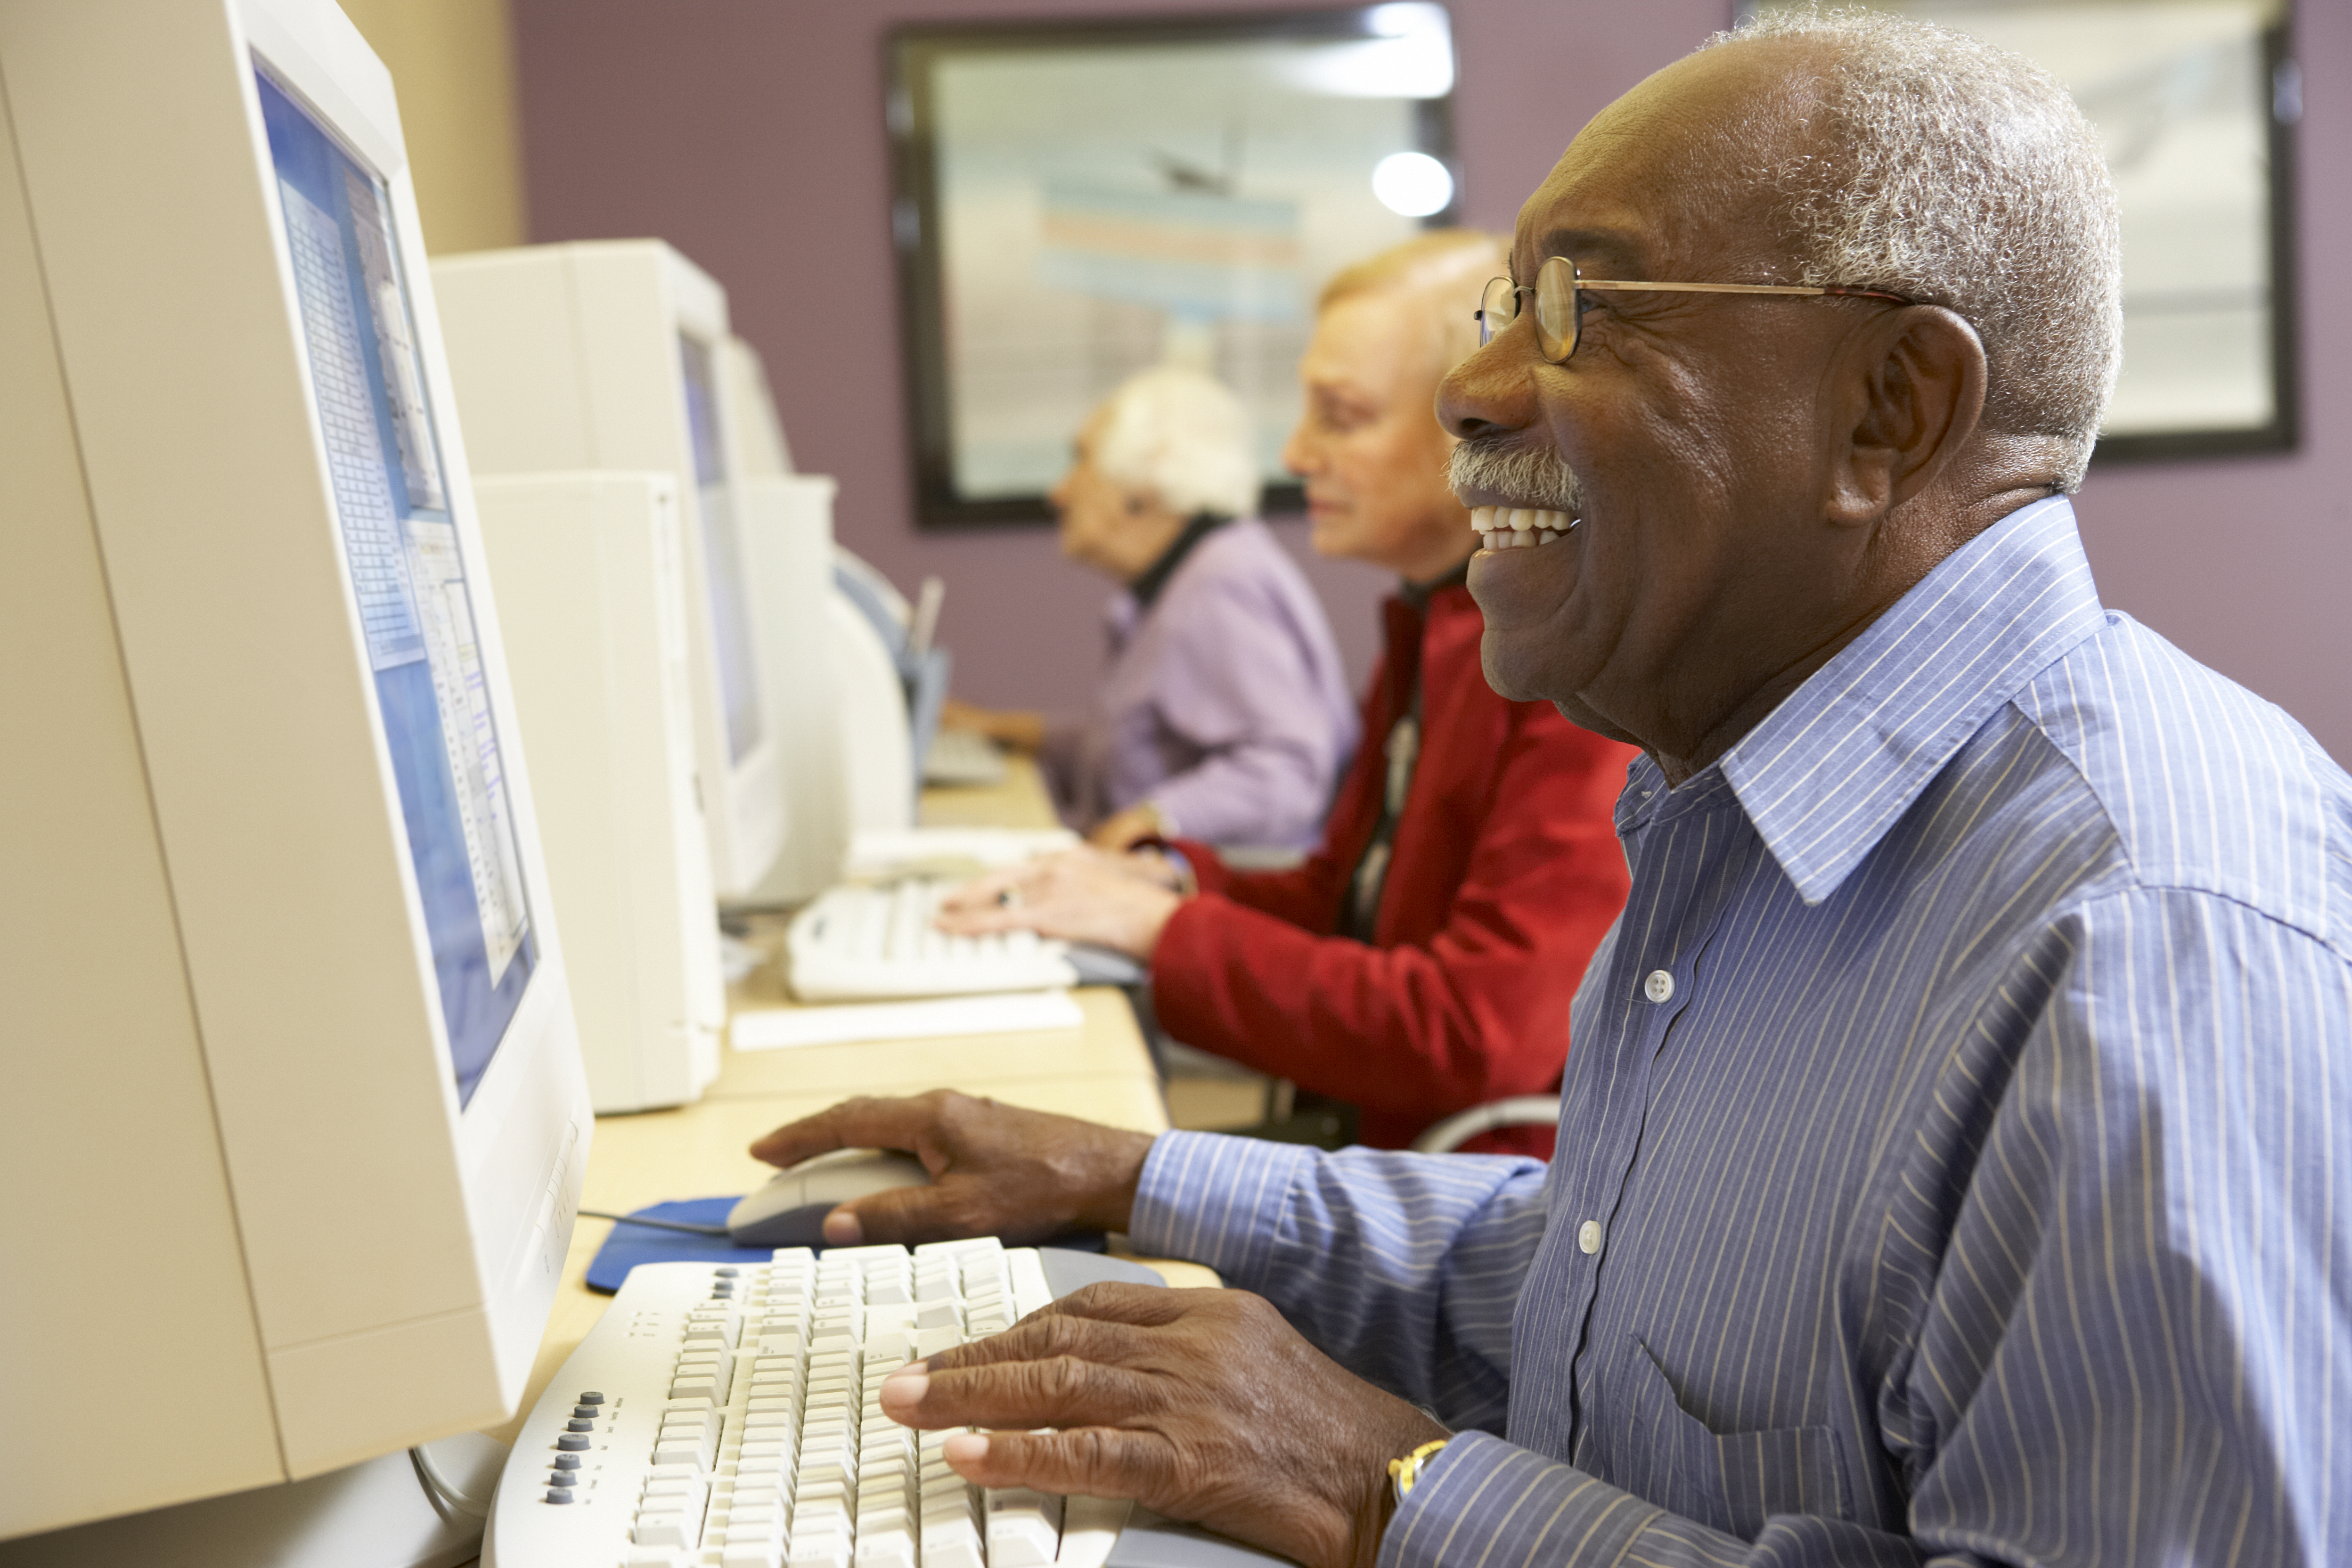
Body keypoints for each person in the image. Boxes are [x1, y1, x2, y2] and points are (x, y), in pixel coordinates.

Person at [752, 11, 2352, 1566]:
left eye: (1580, 306)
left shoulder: (2141, 944)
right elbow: (1602, 1280)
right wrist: (1131, 1172)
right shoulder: (1731, 786)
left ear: (1890, 409)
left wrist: (1386, 1490)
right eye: (1503, 308)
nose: (1475, 389)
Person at [940, 231, 1640, 1154]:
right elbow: (1353, 897)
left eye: (1340, 416)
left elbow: (1477, 1030)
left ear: (1484, 419)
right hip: (1378, 1148)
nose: (1295, 451)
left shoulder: (1574, 669)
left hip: (1470, 1198)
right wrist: (1174, 880)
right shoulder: (1431, 627)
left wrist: (1163, 929)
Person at [940, 366, 1356, 853]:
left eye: (1080, 461)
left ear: (1142, 489)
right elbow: (1141, 749)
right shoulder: (1187, 580)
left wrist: (1152, 820)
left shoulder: (1220, 585)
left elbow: (1289, 771)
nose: (1060, 491)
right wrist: (1003, 730)